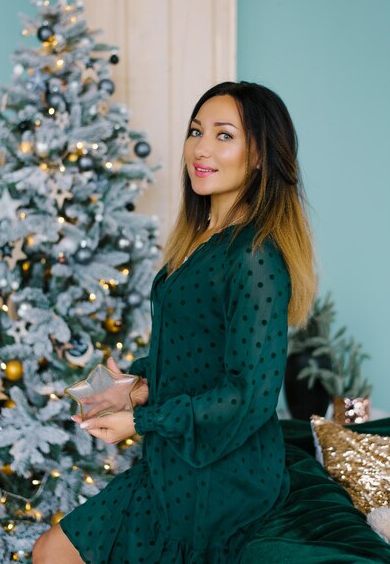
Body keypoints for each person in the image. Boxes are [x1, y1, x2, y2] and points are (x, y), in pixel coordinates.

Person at [32, 81, 317, 563]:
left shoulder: (254, 257)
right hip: (176, 456)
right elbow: (200, 347)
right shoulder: (201, 239)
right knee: (50, 553)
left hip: (221, 474)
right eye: (195, 131)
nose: (201, 148)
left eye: (224, 135)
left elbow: (248, 395)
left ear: (260, 156)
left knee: (52, 554)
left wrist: (140, 419)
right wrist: (137, 383)